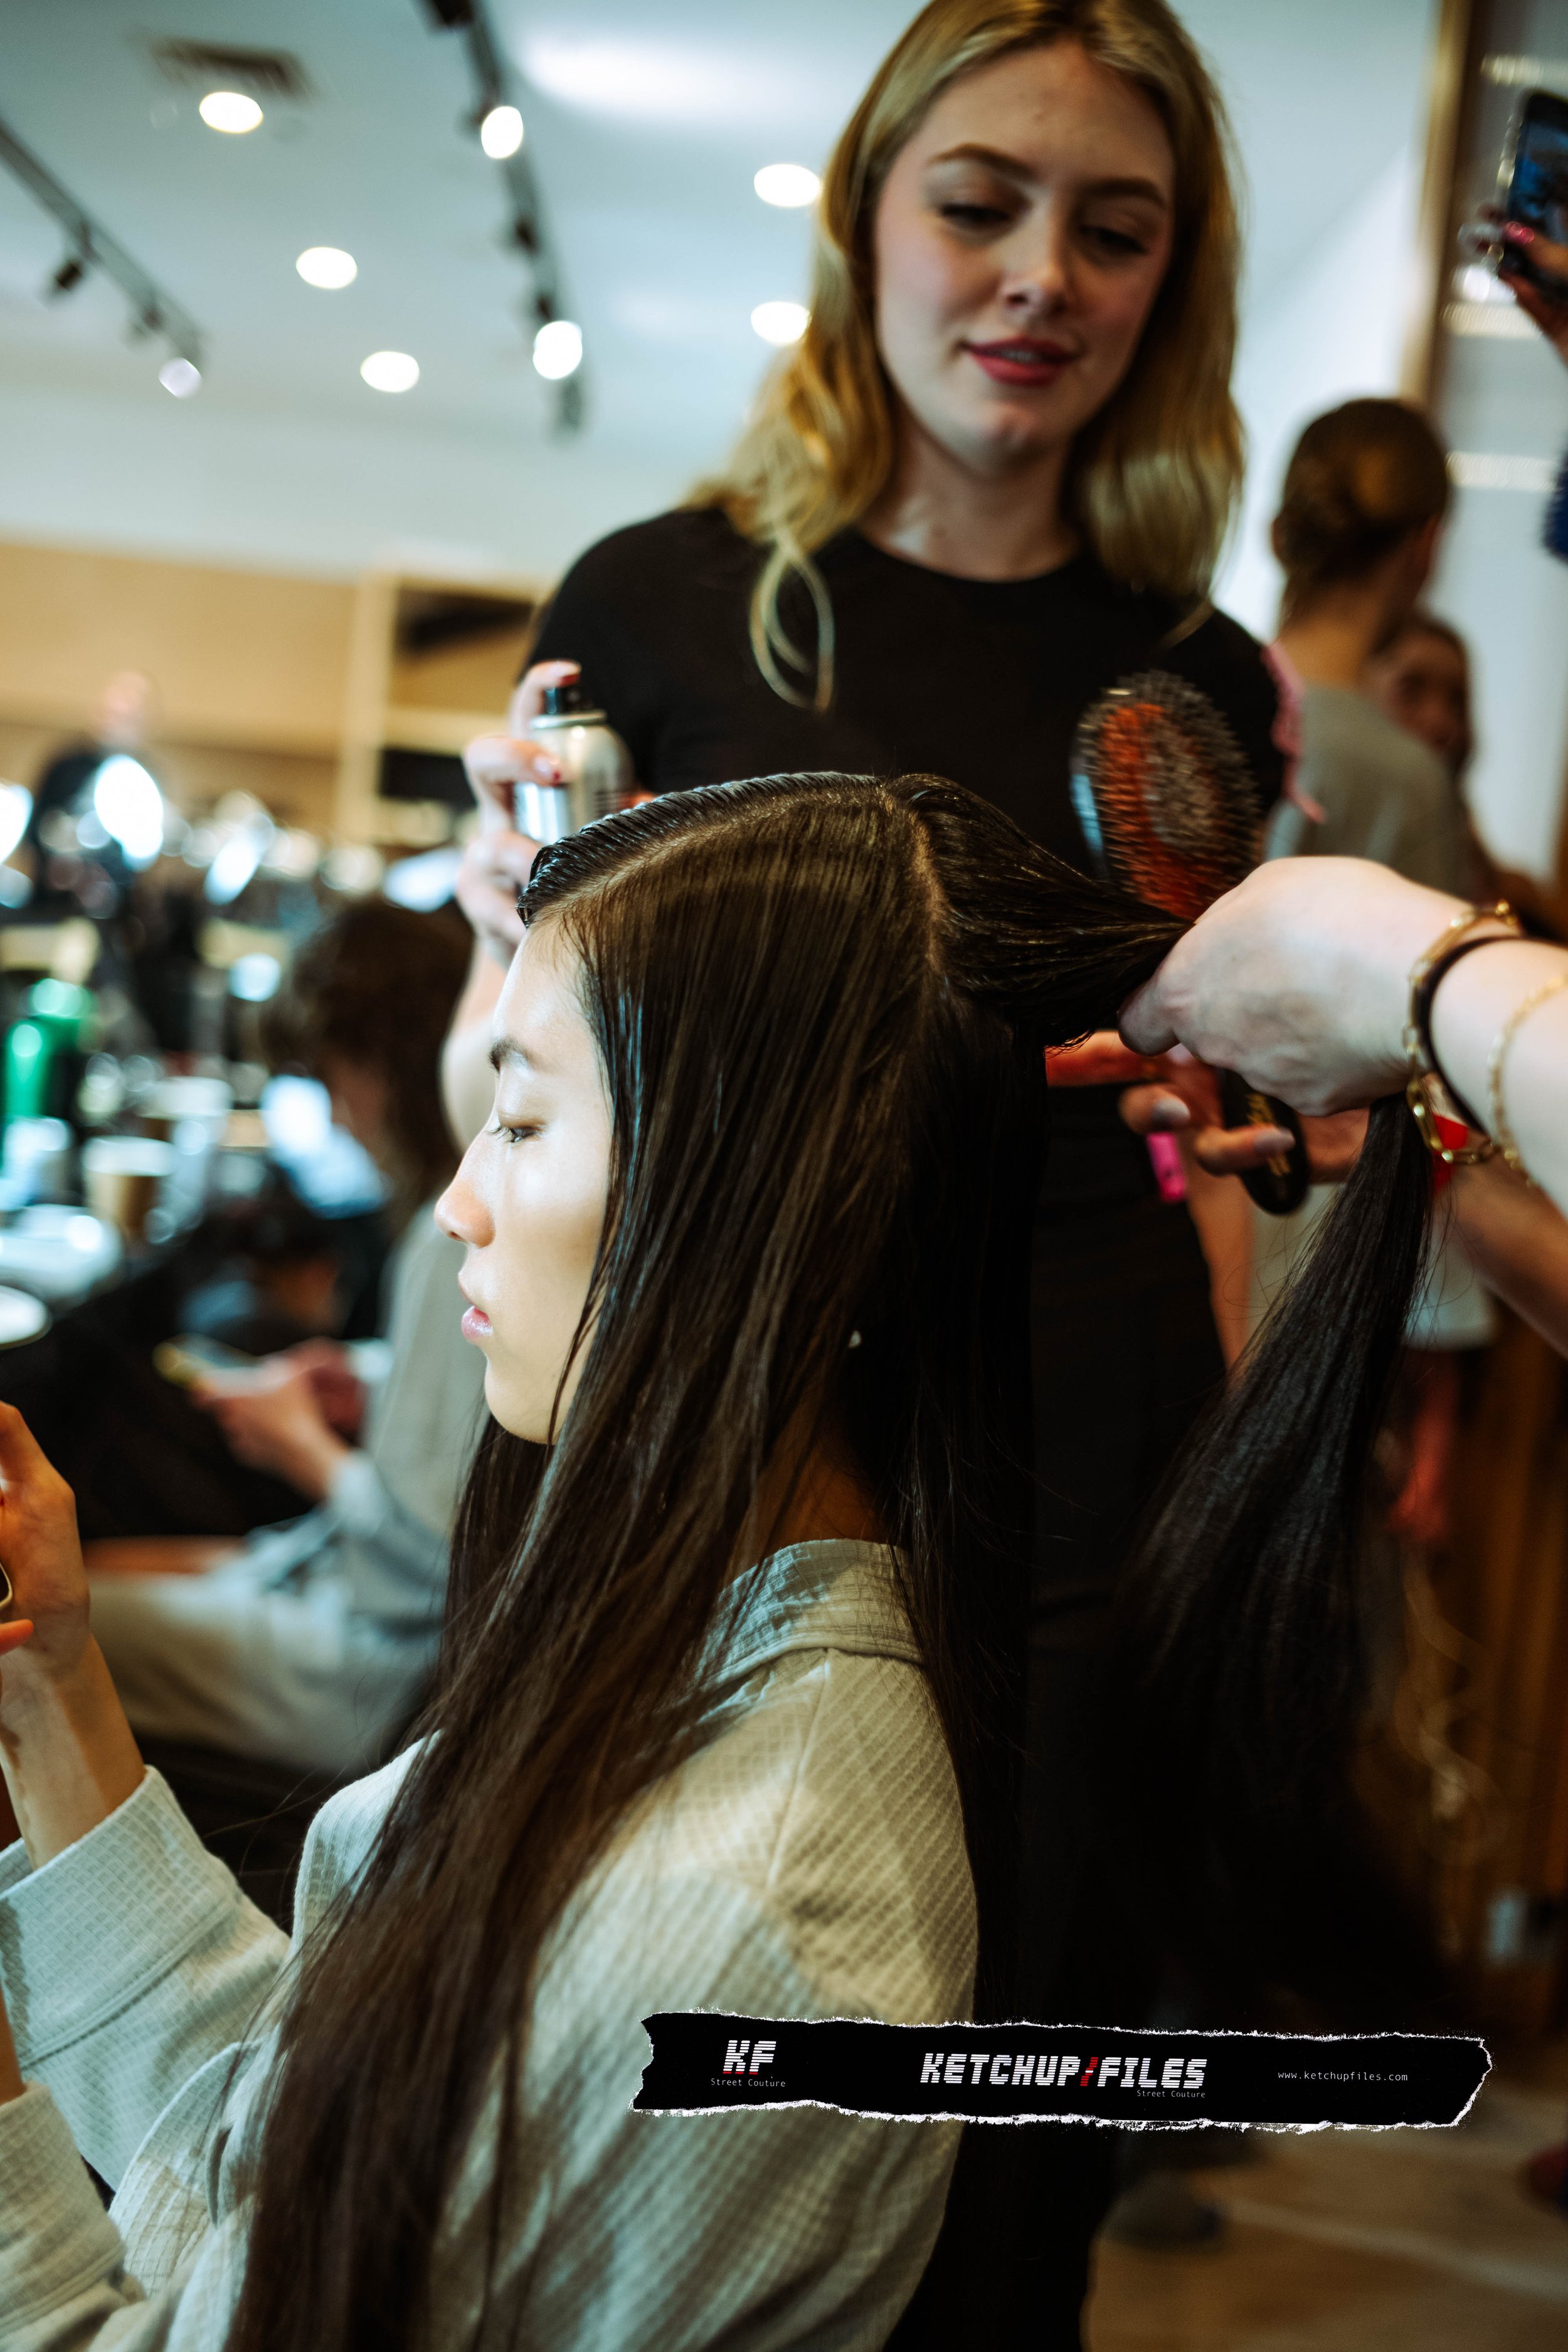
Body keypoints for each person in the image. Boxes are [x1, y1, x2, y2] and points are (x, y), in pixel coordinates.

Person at [0, 780, 1459, 2349]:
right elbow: (281, 2156)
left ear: (747, 1197)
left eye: (522, 1118)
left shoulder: (726, 1930)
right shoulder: (688, 1670)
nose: (456, 1204)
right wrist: (45, 1680)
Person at [448, 6, 1283, 2329]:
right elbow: (499, 1074)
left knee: (1010, 2117)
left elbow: (1218, 1122)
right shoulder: (653, 602)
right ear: (866, 221)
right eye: (980, 204)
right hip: (692, 1441)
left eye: (1113, 231)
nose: (1039, 277)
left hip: (1083, 1441)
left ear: (1171, 284)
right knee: (631, 2093)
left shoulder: (1194, 669)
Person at [82, 900, 486, 1777]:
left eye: (335, 1077)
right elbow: (477, 1426)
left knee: (29, 1627)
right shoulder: (467, 1222)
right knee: (96, 1567)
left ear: (383, 1060)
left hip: (379, 1670)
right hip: (352, 1598)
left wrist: (300, 1446)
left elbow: (429, 1561)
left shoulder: (450, 1232)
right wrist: (372, 1379)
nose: (340, 1119)